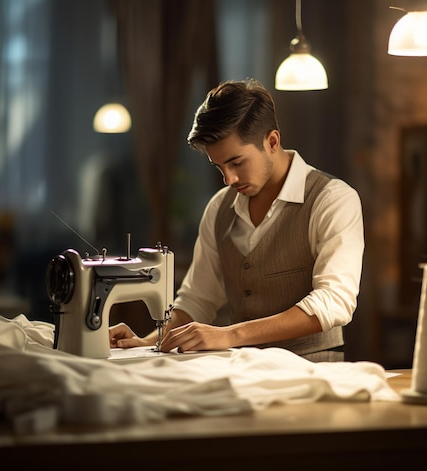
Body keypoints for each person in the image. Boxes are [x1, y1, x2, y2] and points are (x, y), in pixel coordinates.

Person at [110, 78, 364, 362]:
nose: (228, 179)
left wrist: (229, 334)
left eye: (236, 162)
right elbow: (197, 298)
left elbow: (335, 301)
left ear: (272, 141)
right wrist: (145, 341)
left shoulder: (333, 199)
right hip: (241, 371)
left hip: (315, 371)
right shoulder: (219, 208)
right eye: (219, 166)